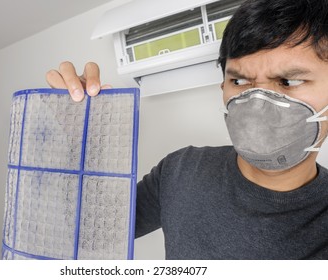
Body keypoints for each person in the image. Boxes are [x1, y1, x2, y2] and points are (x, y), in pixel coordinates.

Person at [46, 0, 328, 259]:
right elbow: (93, 232)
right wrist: (80, 139)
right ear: (223, 88)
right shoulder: (180, 170)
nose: (258, 102)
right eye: (240, 82)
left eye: (289, 82)